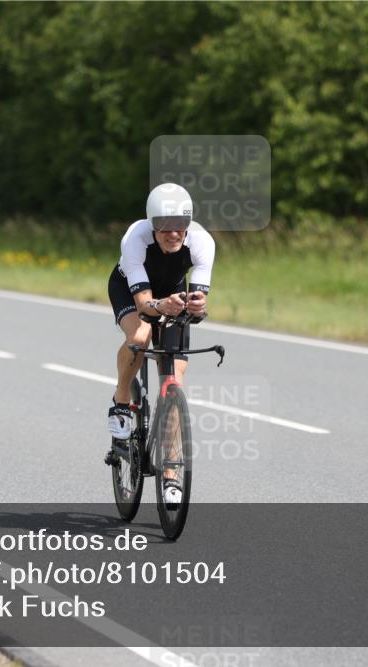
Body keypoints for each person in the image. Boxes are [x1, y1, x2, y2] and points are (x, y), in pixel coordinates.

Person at [106, 183, 215, 503]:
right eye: (164, 227)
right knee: (140, 337)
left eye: (180, 225)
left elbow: (200, 300)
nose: (173, 233)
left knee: (174, 382)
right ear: (152, 225)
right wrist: (160, 306)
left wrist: (197, 306)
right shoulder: (135, 238)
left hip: (171, 292)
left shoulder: (202, 242)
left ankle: (171, 475)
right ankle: (121, 399)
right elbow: (143, 303)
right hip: (130, 289)